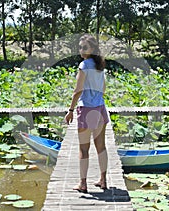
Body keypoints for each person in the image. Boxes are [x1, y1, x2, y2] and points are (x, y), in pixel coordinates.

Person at [64, 34, 109, 193]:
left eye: (84, 47)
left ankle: (83, 184)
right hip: (100, 109)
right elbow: (103, 89)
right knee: (101, 147)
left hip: (86, 109)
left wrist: (70, 110)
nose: (81, 50)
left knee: (84, 149)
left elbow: (78, 91)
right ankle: (103, 180)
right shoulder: (100, 66)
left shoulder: (84, 65)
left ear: (92, 49)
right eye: (80, 47)